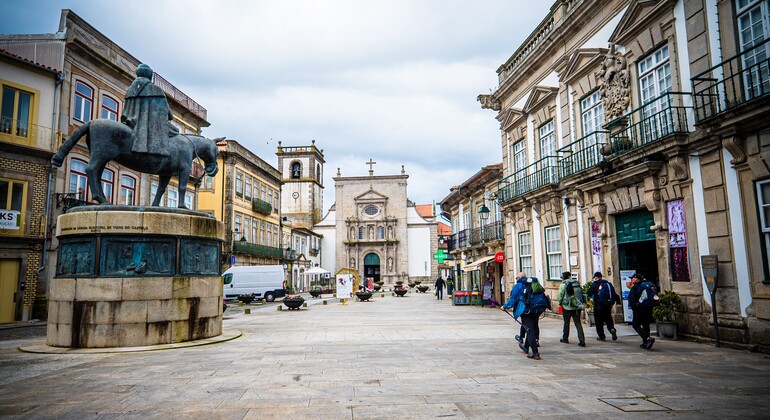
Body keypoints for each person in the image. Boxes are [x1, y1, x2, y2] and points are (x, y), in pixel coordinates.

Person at [121, 63, 179, 157]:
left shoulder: (129, 91)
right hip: (150, 127)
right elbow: (169, 115)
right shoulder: (156, 90)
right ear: (150, 75)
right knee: (175, 131)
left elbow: (126, 112)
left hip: (132, 123)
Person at [503, 272, 541, 360]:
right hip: (536, 309)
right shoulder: (532, 284)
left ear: (520, 278)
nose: (516, 279)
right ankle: (526, 347)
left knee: (529, 330)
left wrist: (505, 306)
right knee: (531, 328)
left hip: (526, 310)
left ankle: (535, 353)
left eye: (517, 277)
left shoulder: (518, 286)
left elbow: (513, 298)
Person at [587, 271, 620, 341]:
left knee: (599, 321)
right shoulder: (608, 284)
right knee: (608, 319)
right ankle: (612, 329)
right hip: (608, 306)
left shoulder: (595, 284)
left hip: (598, 306)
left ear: (596, 277)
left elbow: (589, 293)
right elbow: (615, 294)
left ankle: (602, 336)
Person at [556, 271, 585, 347]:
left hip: (567, 307)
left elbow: (560, 296)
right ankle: (582, 340)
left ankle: (565, 338)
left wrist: (560, 302)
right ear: (569, 276)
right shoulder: (577, 283)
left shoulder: (563, 285)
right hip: (576, 307)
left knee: (566, 323)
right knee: (578, 323)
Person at [628, 272, 655, 350]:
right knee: (646, 325)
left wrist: (633, 307)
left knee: (635, 325)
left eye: (632, 278)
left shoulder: (636, 286)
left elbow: (632, 298)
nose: (632, 279)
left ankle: (647, 338)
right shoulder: (649, 284)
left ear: (636, 279)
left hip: (639, 309)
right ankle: (645, 342)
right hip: (648, 308)